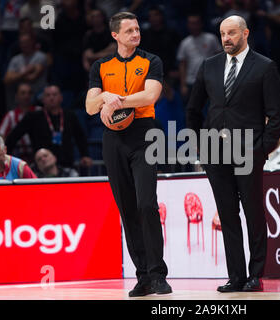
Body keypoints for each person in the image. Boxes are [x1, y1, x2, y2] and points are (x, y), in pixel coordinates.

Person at [186, 15, 280, 292]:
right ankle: (236, 276)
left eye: (231, 33)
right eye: (222, 34)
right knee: (227, 215)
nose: (226, 38)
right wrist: (200, 145)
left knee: (254, 214)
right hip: (215, 152)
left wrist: (261, 149)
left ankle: (256, 275)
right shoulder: (209, 65)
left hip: (248, 152)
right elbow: (193, 110)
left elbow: (277, 115)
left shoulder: (265, 67)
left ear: (245, 33)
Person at [85, 11, 171, 297]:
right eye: (130, 31)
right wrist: (103, 98)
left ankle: (159, 274)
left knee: (147, 204)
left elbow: (150, 96)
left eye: (137, 29)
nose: (136, 34)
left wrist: (113, 99)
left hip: (145, 134)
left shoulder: (151, 60)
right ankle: (143, 276)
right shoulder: (101, 65)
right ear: (115, 35)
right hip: (113, 139)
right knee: (128, 209)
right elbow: (89, 106)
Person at [5, 85, 92, 169]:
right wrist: (6, 156)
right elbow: (14, 136)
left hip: (66, 164)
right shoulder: (33, 117)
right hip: (41, 167)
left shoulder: (70, 116)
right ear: (43, 99)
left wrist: (85, 155)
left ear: (61, 98)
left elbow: (80, 137)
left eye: (54, 95)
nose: (51, 98)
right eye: (48, 95)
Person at [177, 13, 222, 103]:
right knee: (193, 111)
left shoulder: (211, 38)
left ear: (201, 24)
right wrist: (183, 85)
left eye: (196, 23)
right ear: (188, 25)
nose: (193, 26)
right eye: (191, 23)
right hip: (191, 81)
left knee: (211, 110)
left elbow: (220, 59)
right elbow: (182, 65)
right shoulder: (185, 43)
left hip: (210, 80)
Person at [0, 83, 42, 163]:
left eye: (29, 93)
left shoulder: (39, 111)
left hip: (39, 154)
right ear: (16, 96)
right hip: (17, 156)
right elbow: (0, 137)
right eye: (23, 93)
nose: (26, 96)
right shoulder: (11, 115)